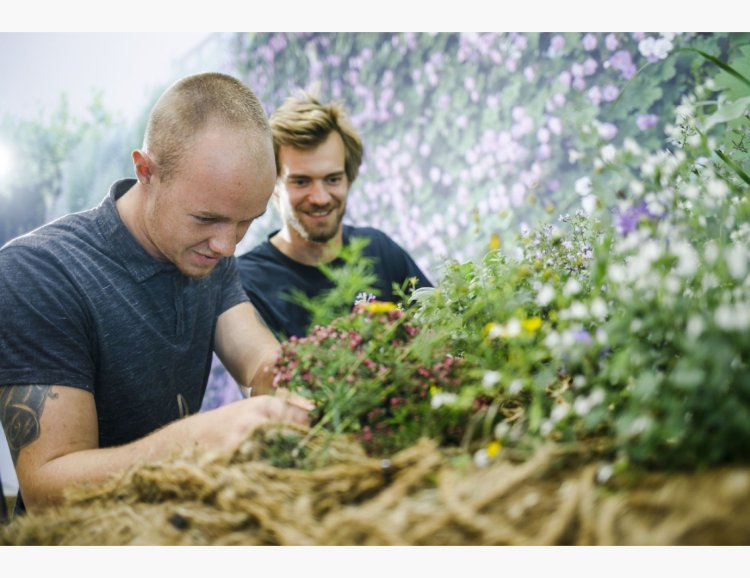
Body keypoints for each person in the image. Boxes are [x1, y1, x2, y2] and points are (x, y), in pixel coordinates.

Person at [0, 72, 311, 515]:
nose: (228, 245)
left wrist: (292, 382)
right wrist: (198, 442)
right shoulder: (39, 273)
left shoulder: (208, 253)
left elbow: (258, 360)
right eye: (207, 218)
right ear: (146, 171)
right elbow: (48, 490)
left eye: (247, 221)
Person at [238, 92, 432, 341]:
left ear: (348, 178)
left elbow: (442, 333)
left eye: (333, 179)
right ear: (272, 185)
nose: (320, 197)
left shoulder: (378, 250)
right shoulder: (248, 282)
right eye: (301, 181)